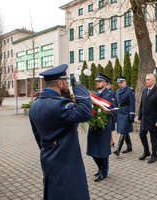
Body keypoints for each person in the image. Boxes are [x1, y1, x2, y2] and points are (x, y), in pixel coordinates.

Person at [29, 64, 93, 200]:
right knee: (72, 194)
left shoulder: (34, 105)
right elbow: (86, 113)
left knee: (54, 193)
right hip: (66, 161)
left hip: (48, 157)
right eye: (66, 81)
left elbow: (37, 135)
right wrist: (79, 87)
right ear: (60, 83)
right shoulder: (59, 104)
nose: (67, 84)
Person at [87, 72, 116, 182]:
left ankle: (104, 172)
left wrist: (102, 113)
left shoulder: (110, 94)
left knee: (103, 150)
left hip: (104, 126)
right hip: (94, 125)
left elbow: (113, 111)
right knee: (93, 148)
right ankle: (100, 168)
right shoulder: (95, 94)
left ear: (105, 83)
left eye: (99, 81)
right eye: (97, 81)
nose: (97, 83)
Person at [138, 73, 157, 163]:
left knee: (153, 139)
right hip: (144, 119)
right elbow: (142, 104)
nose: (147, 81)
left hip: (154, 120)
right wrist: (139, 117)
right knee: (142, 134)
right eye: (146, 79)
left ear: (154, 81)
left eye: (149, 79)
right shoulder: (144, 91)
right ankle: (146, 152)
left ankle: (154, 155)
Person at [113, 75, 135, 156]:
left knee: (123, 131)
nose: (120, 84)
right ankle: (129, 147)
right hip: (120, 111)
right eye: (119, 82)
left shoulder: (130, 90)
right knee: (124, 130)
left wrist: (132, 115)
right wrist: (115, 113)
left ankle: (118, 149)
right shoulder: (117, 91)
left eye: (121, 82)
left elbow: (132, 103)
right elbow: (116, 102)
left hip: (126, 112)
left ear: (125, 82)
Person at [106, 80, 116, 147]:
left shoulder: (112, 93)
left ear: (110, 85)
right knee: (109, 129)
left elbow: (114, 103)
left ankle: (111, 141)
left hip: (110, 112)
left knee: (109, 129)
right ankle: (111, 141)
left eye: (107, 85)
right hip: (105, 112)